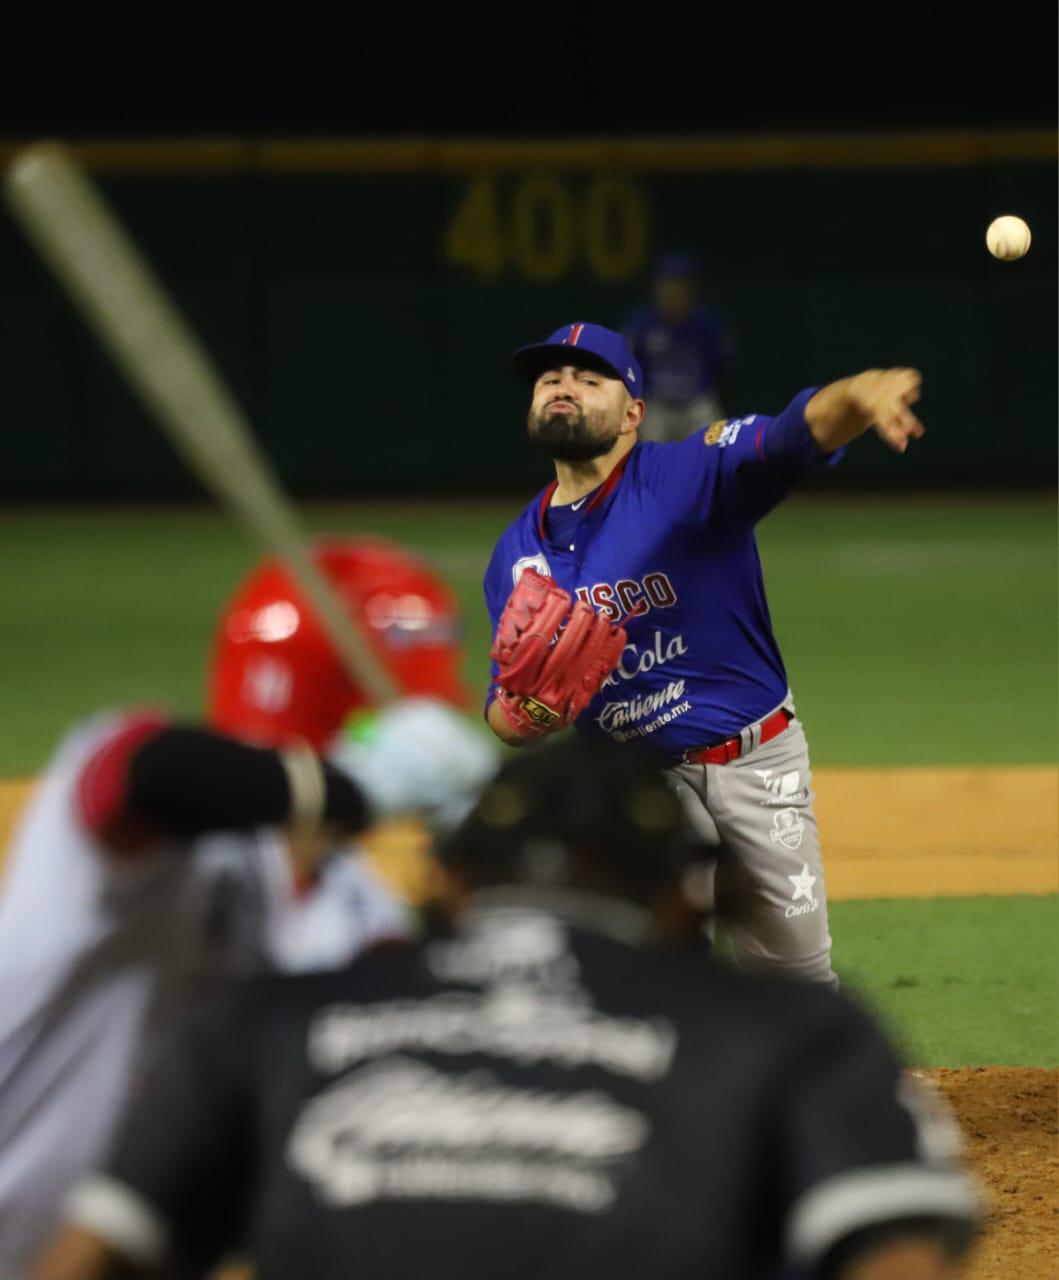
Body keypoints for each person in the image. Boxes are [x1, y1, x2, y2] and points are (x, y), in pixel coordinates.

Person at [34, 738, 978, 1280]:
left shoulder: (272, 1018)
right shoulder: (785, 1028)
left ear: (443, 879)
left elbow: (92, 1257)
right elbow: (896, 1251)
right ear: (682, 894)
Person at [0, 536, 496, 1271]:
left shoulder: (356, 913)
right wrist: (355, 787)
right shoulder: (142, 834)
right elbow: (147, 770)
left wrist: (481, 857)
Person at [484, 322, 926, 988]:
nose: (563, 386)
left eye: (587, 376)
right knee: (646, 981)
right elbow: (505, 713)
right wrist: (528, 716)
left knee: (794, 983)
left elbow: (791, 433)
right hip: (637, 790)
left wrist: (856, 395)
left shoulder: (688, 475)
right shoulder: (515, 557)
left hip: (755, 763)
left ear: (632, 412)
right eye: (550, 378)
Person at [624, 253, 733, 442]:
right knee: (650, 454)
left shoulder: (706, 325)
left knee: (713, 447)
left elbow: (722, 365)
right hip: (657, 406)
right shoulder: (643, 324)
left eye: (680, 284)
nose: (674, 291)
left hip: (697, 404)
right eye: (668, 284)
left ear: (691, 290)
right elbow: (627, 366)